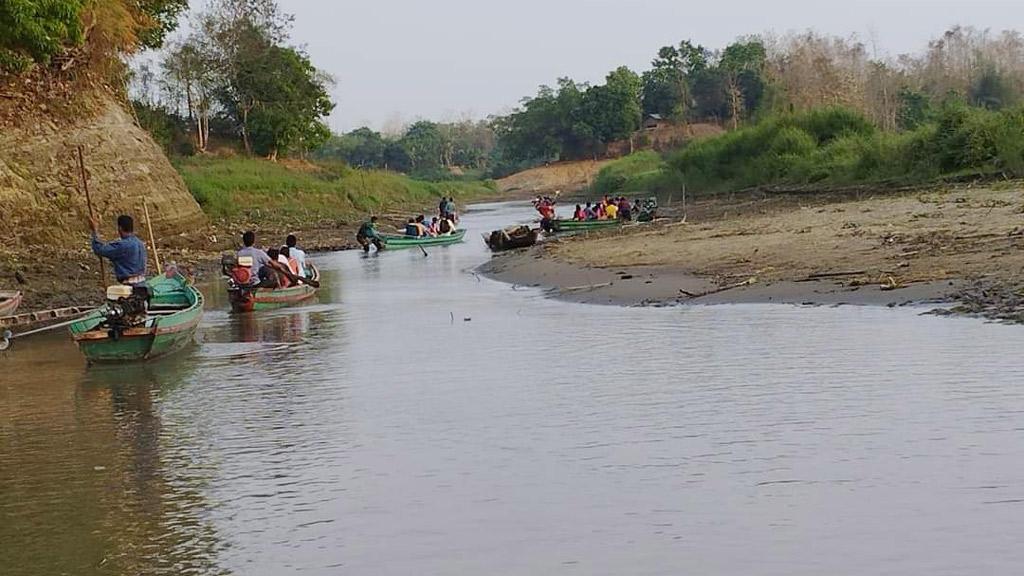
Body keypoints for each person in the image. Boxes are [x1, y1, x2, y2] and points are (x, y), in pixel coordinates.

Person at [90, 214, 148, 285]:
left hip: (130, 284)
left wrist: (95, 231)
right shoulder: (139, 243)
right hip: (142, 282)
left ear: (120, 228)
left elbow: (99, 249)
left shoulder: (122, 245)